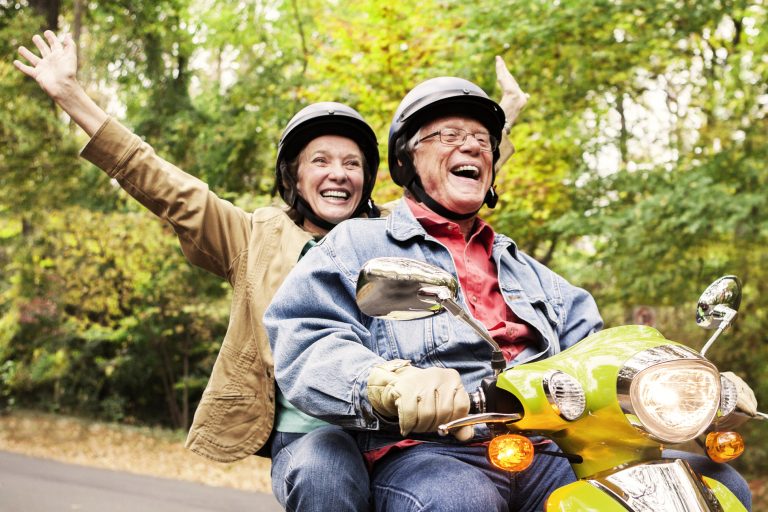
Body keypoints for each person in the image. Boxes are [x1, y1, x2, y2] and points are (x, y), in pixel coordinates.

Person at [14, 30, 530, 511]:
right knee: (325, 468)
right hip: (310, 431)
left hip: (401, 432)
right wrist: (70, 96)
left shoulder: (397, 239)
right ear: (294, 176)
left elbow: (451, 183)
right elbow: (164, 185)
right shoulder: (253, 238)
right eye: (320, 161)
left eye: (352, 164)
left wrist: (498, 122)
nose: (338, 174)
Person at [264, 76, 758, 510]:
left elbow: (603, 353)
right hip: (430, 450)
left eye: (482, 140)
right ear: (407, 159)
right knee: (459, 501)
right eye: (450, 135)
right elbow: (307, 339)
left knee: (714, 484)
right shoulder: (357, 243)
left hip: (550, 450)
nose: (473, 147)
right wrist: (383, 381)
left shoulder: (538, 277)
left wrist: (690, 384)